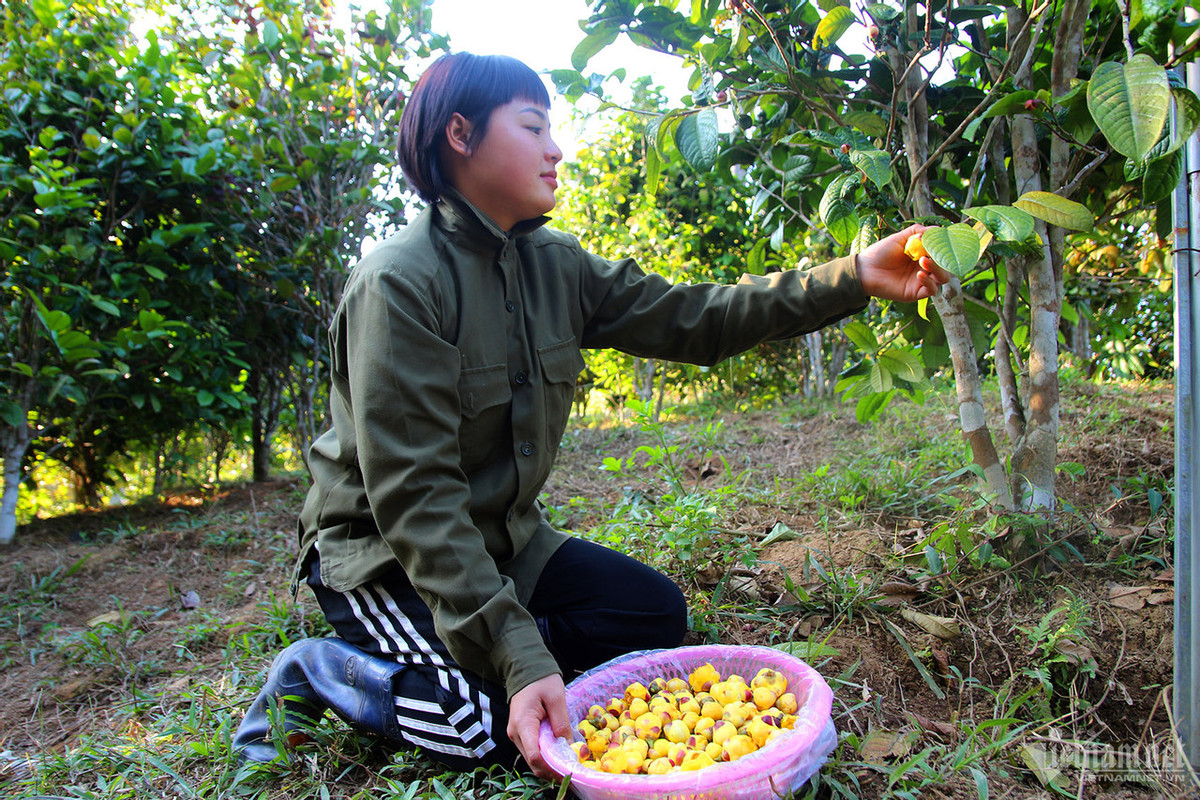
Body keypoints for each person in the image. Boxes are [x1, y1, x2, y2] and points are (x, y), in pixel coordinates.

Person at [230, 51, 949, 780]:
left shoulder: (556, 265)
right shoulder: (399, 282)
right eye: (533, 125)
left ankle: (485, 650)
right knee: (493, 734)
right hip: (385, 562)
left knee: (654, 616)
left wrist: (852, 275)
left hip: (506, 545)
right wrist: (518, 657)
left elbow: (694, 318)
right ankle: (319, 672)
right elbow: (415, 499)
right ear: (460, 134)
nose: (556, 149)